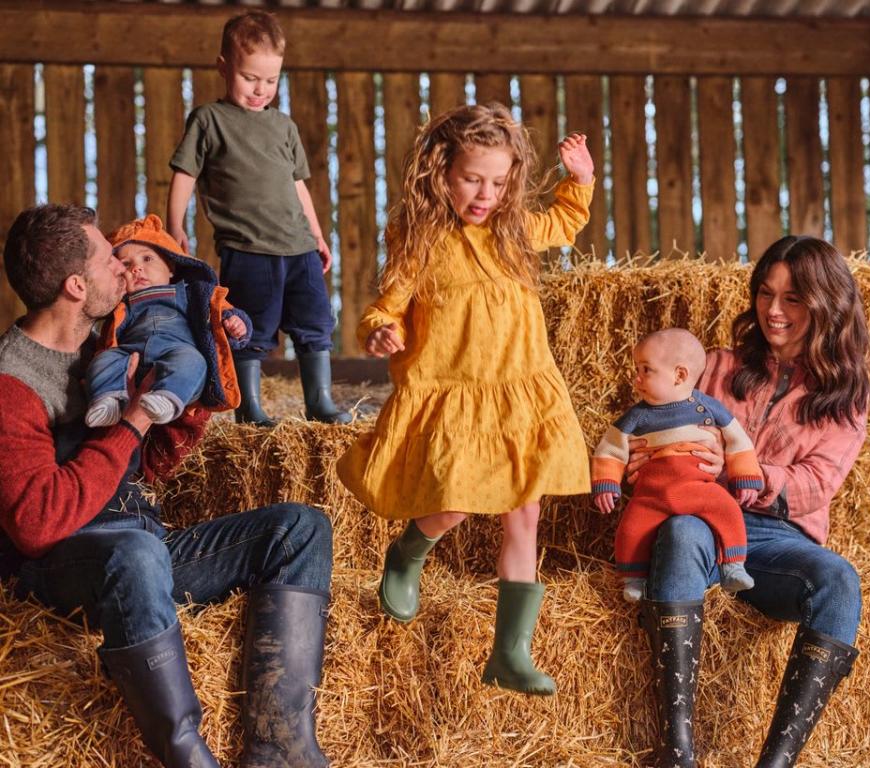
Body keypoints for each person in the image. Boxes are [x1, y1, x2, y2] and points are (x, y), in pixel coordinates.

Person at [0, 204, 335, 768]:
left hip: (142, 549)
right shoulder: (13, 383)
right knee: (133, 553)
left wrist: (183, 406)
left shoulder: (107, 345)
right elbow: (36, 524)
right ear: (77, 285)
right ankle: (187, 754)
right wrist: (131, 420)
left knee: (299, 527)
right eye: (111, 260)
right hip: (60, 567)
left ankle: (281, 749)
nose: (125, 270)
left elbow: (135, 469)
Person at [336, 103, 595, 696]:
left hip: (521, 389)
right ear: (440, 171)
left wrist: (579, 180)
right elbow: (387, 304)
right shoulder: (420, 239)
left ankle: (510, 651)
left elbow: (560, 222)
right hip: (457, 392)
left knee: (524, 511)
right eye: (472, 179)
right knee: (453, 503)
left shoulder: (513, 230)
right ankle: (409, 550)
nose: (486, 194)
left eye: (499, 182)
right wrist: (379, 329)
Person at [630, 236, 870, 768]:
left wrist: (744, 471)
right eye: (766, 294)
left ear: (826, 306)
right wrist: (641, 459)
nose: (774, 311)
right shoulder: (713, 367)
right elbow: (647, 429)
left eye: (792, 299)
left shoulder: (845, 395)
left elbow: (816, 483)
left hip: (775, 542)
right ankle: (677, 752)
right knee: (682, 531)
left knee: (839, 581)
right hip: (699, 519)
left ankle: (776, 763)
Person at [166, 10, 350, 427]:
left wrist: (318, 234)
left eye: (270, 80)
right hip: (247, 249)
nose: (260, 89)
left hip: (298, 246)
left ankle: (319, 401)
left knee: (315, 321)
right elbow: (184, 175)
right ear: (224, 67)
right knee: (249, 328)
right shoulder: (209, 120)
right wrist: (175, 225)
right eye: (250, 78)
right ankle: (250, 407)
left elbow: (298, 184)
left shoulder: (283, 126)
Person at [591, 327, 762, 602]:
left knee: (728, 509)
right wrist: (606, 483)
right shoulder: (637, 416)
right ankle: (634, 578)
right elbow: (610, 450)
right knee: (631, 528)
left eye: (645, 370)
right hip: (651, 495)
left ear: (679, 375)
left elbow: (738, 441)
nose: (636, 378)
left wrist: (746, 478)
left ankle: (733, 566)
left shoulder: (707, 408)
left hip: (698, 488)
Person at [85, 214, 251, 428]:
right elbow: (106, 337)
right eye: (126, 264)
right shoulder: (122, 304)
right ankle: (109, 400)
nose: (136, 268)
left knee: (194, 361)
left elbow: (218, 310)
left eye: (147, 259)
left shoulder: (190, 293)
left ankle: (167, 398)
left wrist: (234, 323)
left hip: (177, 353)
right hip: (131, 357)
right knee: (105, 359)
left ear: (171, 264)